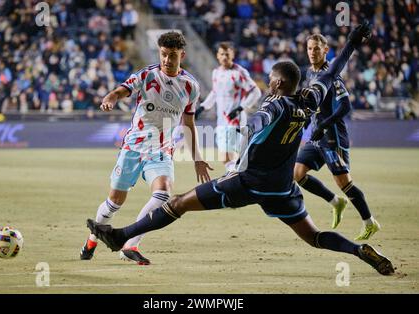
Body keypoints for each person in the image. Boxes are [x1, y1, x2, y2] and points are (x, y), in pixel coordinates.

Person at [87, 22, 395, 276]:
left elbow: (256, 127)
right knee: (314, 237)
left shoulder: (272, 107)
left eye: (270, 81)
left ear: (276, 84)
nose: (268, 84)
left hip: (248, 183)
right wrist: (352, 42)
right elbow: (331, 72)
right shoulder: (309, 100)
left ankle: (121, 236)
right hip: (283, 190)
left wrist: (238, 141)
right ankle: (357, 249)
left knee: (178, 203)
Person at [80, 31, 213, 265]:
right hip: (133, 147)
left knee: (163, 194)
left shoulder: (191, 86)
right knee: (114, 203)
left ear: (182, 54)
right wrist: (110, 99)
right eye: (163, 54)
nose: (167, 60)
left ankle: (130, 244)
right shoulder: (146, 75)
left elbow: (189, 124)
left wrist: (198, 159)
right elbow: (120, 90)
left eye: (172, 55)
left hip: (161, 150)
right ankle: (92, 239)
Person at [294, 34, 380, 240]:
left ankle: (369, 222)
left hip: (333, 137)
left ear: (325, 50)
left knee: (344, 182)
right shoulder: (308, 73)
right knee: (297, 174)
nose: (312, 52)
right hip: (316, 136)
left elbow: (345, 107)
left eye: (316, 49)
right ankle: (335, 202)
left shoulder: (332, 75)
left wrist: (323, 125)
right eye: (309, 48)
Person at [195, 42, 262, 171]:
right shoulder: (216, 72)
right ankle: (236, 178)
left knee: (231, 156)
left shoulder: (239, 72)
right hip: (221, 120)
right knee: (224, 158)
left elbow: (256, 92)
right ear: (217, 56)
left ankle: (234, 183)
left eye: (227, 54)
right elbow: (215, 92)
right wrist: (203, 107)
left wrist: (240, 108)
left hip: (235, 120)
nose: (224, 57)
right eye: (222, 54)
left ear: (233, 55)